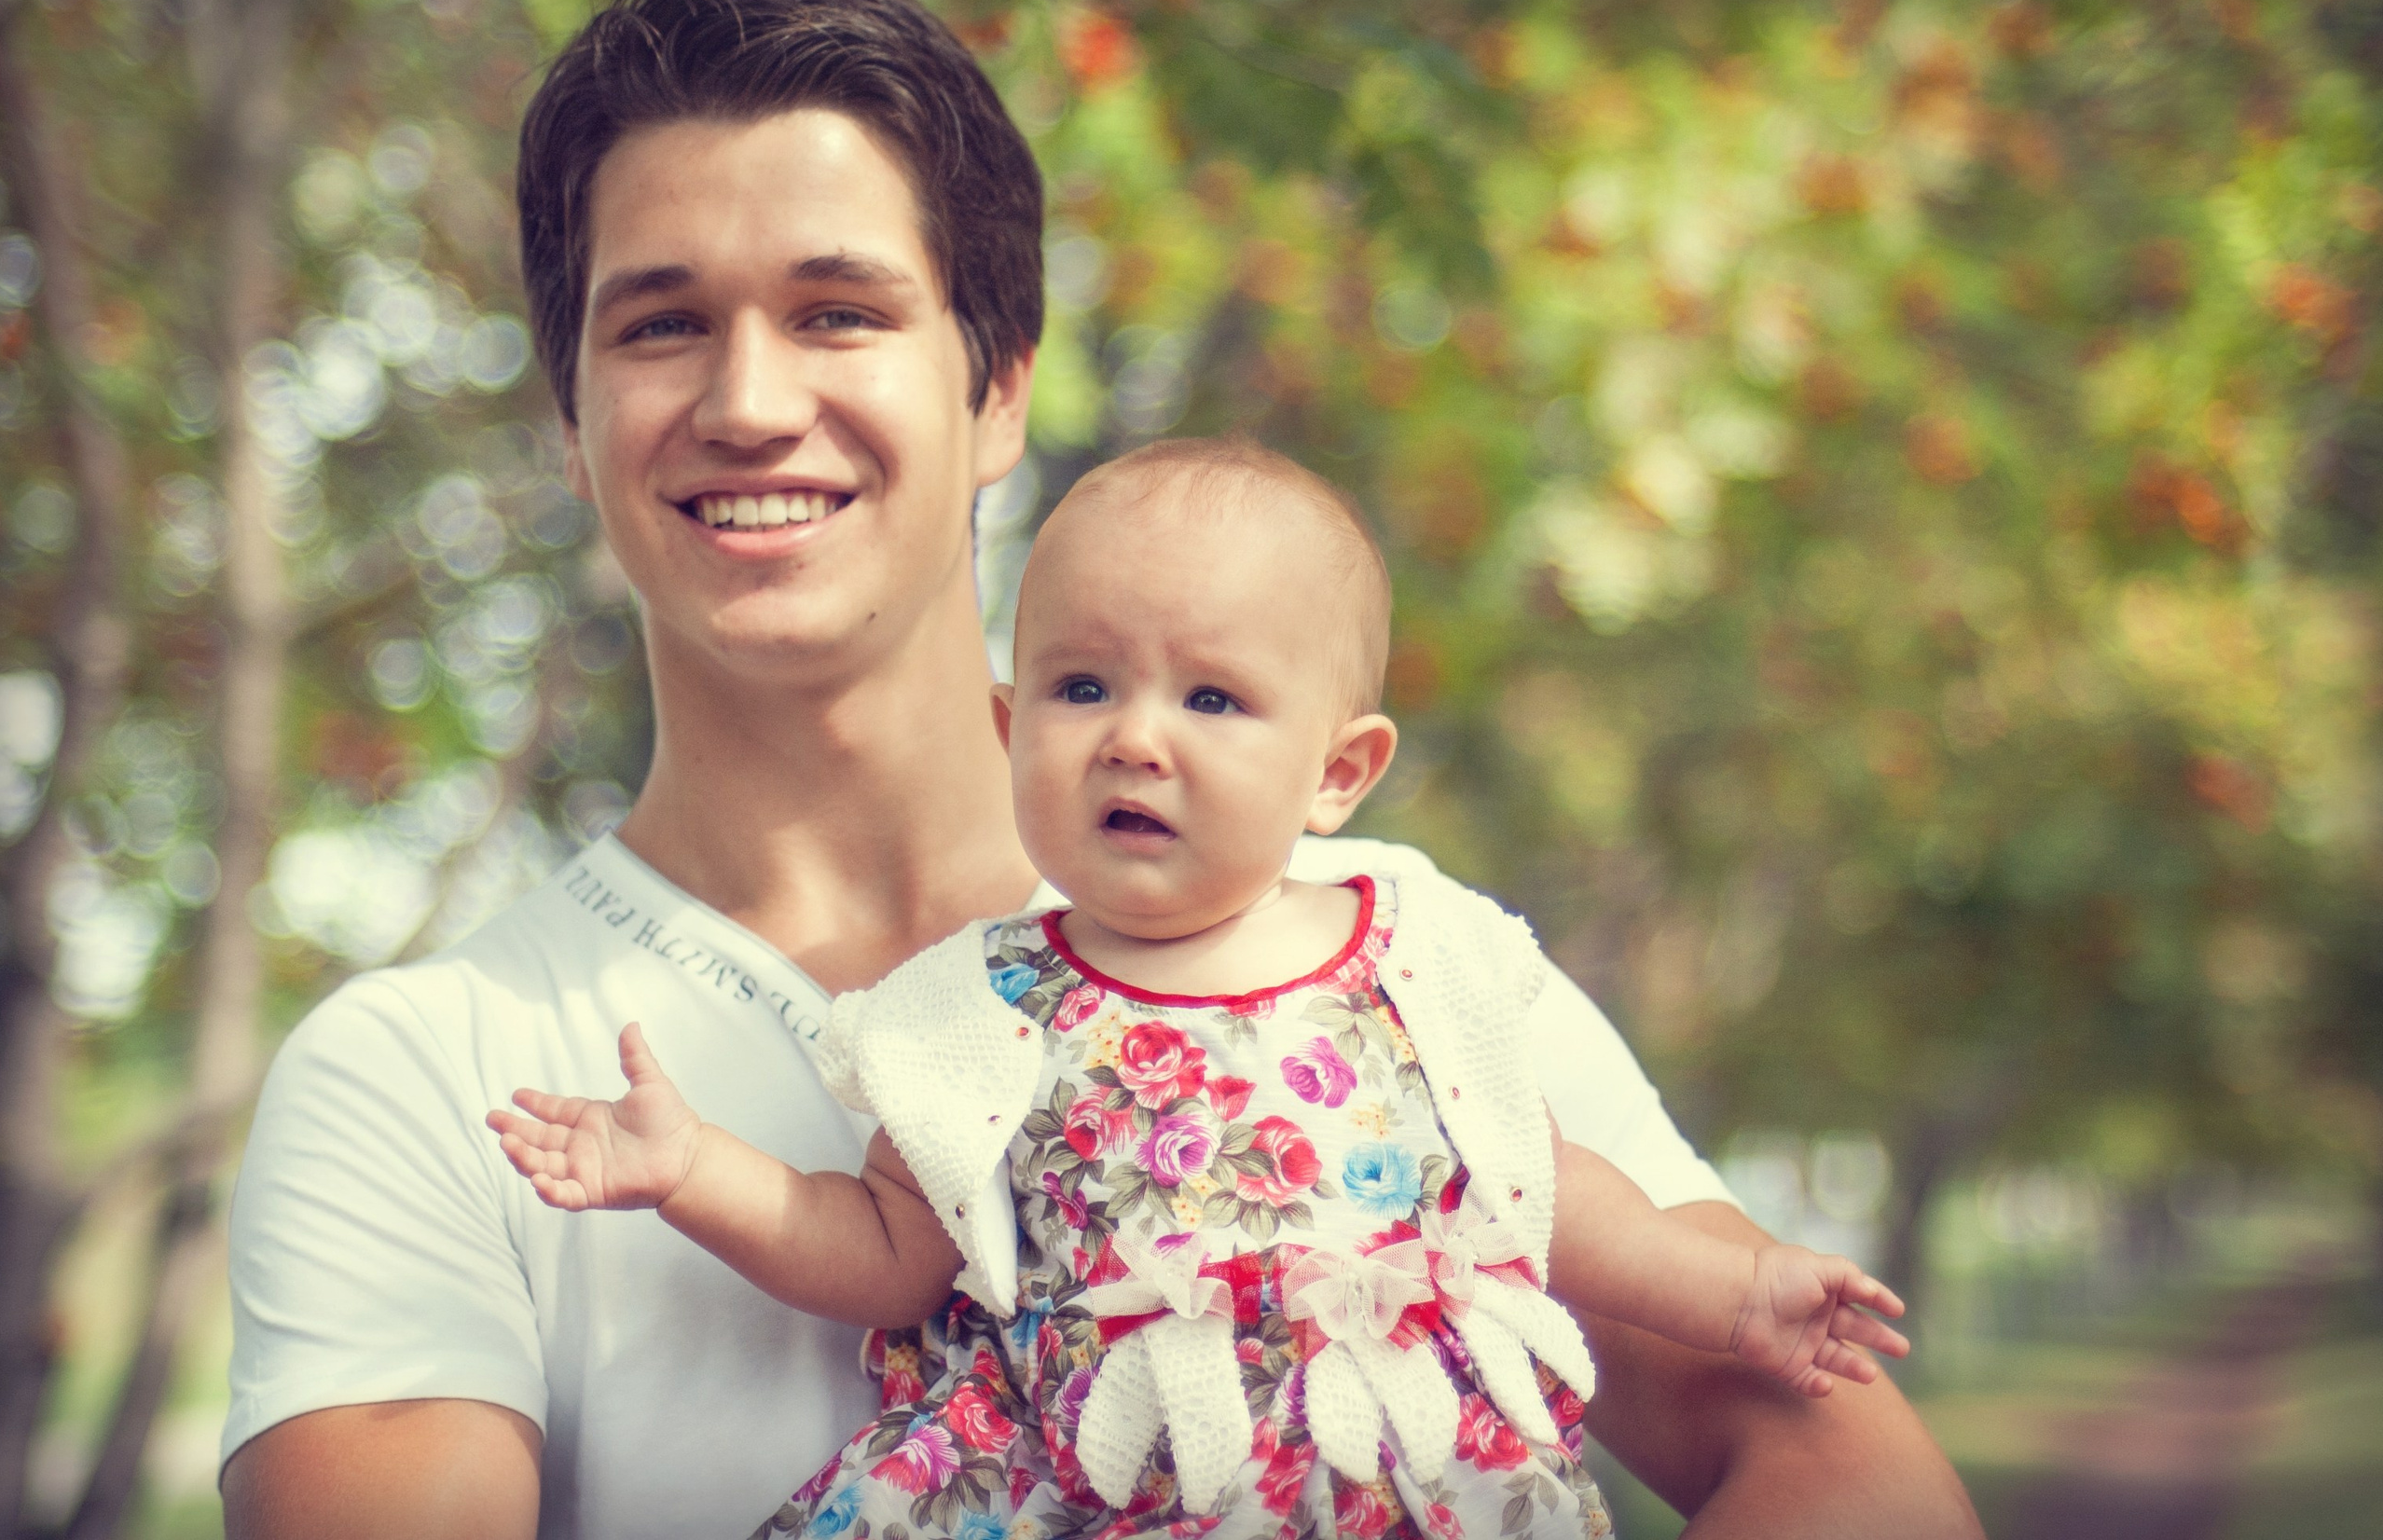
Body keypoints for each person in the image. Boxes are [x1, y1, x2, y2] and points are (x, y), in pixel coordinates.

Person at [217, 0, 1985, 1537]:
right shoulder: (437, 1080)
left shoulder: (1386, 967)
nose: (749, 399)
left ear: (998, 389)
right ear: (575, 410)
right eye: (662, 321)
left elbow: (1845, 1468)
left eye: (838, 309)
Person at [486, 440, 1915, 1540]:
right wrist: (693, 1171)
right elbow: (880, 1244)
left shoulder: (1413, 952)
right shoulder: (976, 1009)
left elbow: (1541, 1184)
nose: (1136, 741)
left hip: (1395, 1463)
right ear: (1008, 725)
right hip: (1094, 1477)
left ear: (1340, 771)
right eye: (1083, 687)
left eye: (1213, 700)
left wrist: (1737, 1289)